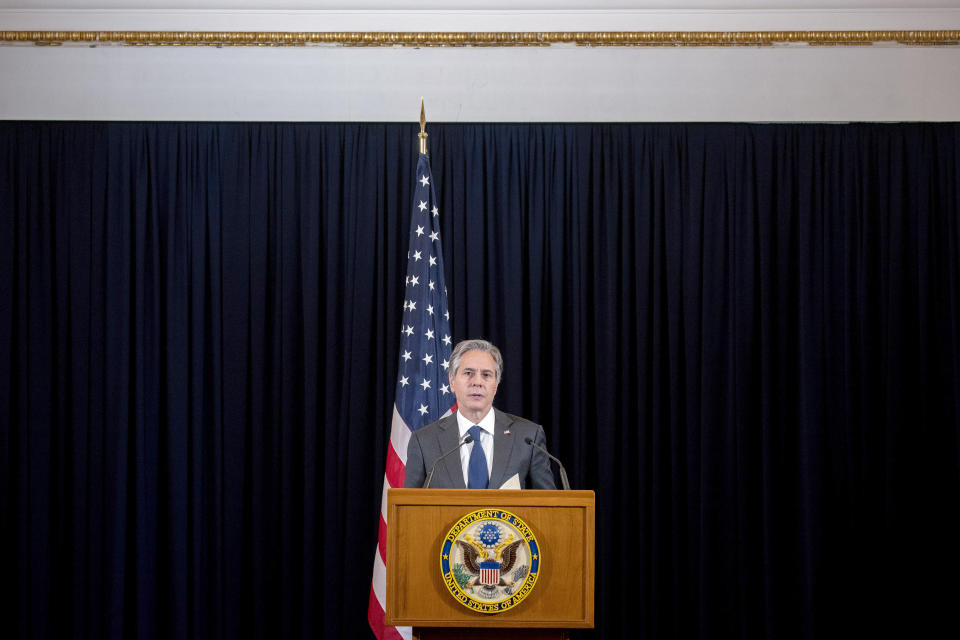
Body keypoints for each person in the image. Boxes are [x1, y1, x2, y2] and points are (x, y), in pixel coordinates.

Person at [404, 339, 557, 490]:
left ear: (495, 385)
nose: (477, 382)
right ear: (452, 382)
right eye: (468, 373)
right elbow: (408, 509)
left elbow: (549, 506)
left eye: (486, 375)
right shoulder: (424, 442)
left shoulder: (528, 437)